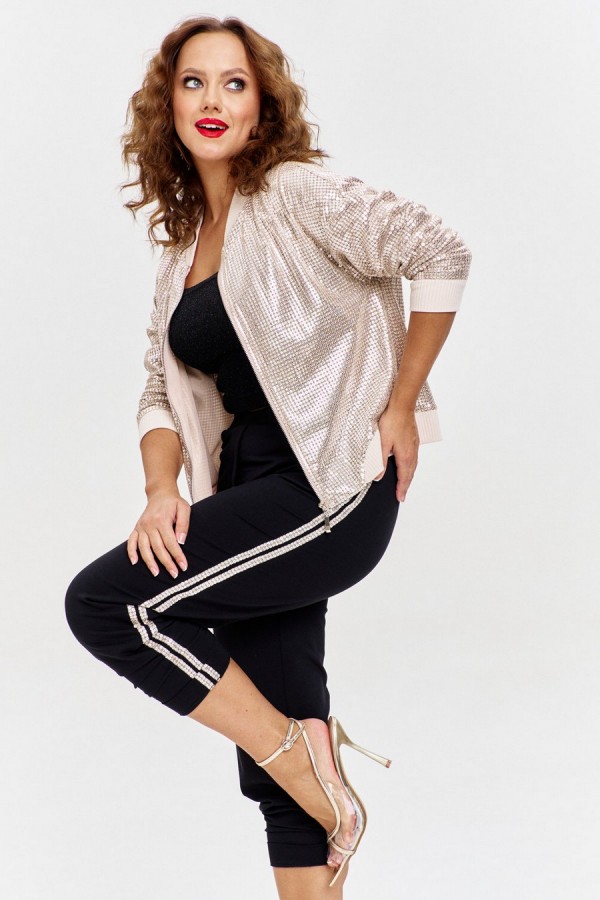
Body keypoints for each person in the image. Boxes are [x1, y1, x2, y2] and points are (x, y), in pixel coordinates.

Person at [65, 15, 472, 899]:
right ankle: (303, 759)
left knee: (108, 604)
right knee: (281, 720)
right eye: (193, 82)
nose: (212, 99)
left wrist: (402, 402)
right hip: (249, 484)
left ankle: (298, 754)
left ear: (262, 106)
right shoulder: (182, 249)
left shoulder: (293, 193)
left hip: (328, 483)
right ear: (168, 105)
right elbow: (158, 388)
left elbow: (439, 251)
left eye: (234, 82)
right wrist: (162, 487)